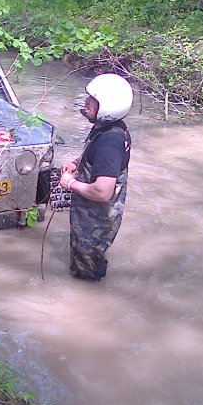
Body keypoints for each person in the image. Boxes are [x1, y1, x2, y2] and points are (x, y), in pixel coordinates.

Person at [59, 73, 133, 281]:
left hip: (96, 219)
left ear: (107, 109)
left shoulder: (110, 141)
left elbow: (102, 191)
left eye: (92, 101)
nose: (86, 102)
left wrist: (70, 183)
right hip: (92, 215)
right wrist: (77, 162)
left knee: (87, 271)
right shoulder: (110, 128)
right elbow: (100, 159)